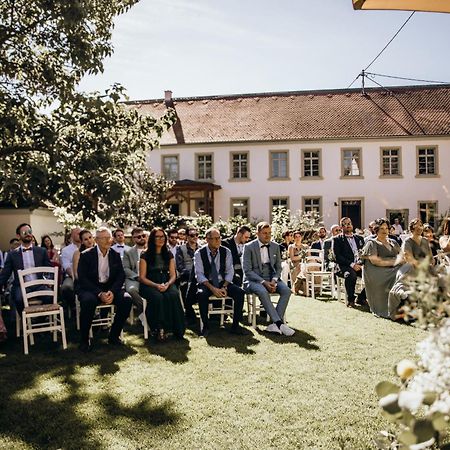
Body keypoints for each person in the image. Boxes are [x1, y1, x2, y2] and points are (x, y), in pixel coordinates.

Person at [77, 227, 132, 352]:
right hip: (90, 288)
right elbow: (83, 279)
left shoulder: (115, 255)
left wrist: (112, 292)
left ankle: (113, 336)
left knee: (127, 300)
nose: (109, 240)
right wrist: (99, 293)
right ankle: (84, 340)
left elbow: (120, 276)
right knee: (88, 301)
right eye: (105, 238)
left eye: (109, 238)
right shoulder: (86, 255)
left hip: (110, 288)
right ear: (96, 240)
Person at [242, 221, 294, 336]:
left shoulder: (275, 246)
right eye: (265, 233)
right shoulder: (248, 247)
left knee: (286, 290)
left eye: (269, 233)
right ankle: (279, 324)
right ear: (257, 234)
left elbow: (278, 268)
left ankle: (274, 324)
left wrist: (274, 280)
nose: (268, 235)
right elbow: (247, 271)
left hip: (271, 279)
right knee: (262, 291)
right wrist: (263, 282)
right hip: (253, 280)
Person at [194, 227, 247, 337]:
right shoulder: (199, 253)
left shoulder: (226, 251)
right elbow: (199, 274)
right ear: (207, 239)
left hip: (223, 282)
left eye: (219, 238)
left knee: (240, 292)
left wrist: (224, 287)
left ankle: (236, 326)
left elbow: (230, 271)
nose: (218, 241)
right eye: (215, 238)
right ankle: (205, 326)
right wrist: (213, 288)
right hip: (207, 283)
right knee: (201, 294)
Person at [139, 228, 185, 341]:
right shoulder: (145, 254)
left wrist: (168, 284)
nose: (161, 239)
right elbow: (142, 277)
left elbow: (173, 275)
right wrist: (156, 285)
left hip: (166, 281)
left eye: (162, 237)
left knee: (173, 294)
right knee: (158, 297)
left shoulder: (168, 254)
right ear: (152, 239)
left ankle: (177, 329)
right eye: (157, 237)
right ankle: (158, 329)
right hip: (149, 283)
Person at [0, 223, 53, 315]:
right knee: (18, 298)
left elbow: (49, 269)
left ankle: (41, 318)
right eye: (25, 232)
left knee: (49, 296)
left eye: (30, 232)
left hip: (39, 284)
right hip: (21, 286)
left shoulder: (41, 251)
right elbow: (5, 274)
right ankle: (25, 320)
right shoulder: (12, 255)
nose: (28, 234)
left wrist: (48, 281)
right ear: (18, 236)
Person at [388, 218, 432, 321]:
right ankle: (403, 310)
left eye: (421, 225)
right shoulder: (407, 241)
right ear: (412, 228)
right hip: (410, 269)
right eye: (417, 225)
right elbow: (409, 259)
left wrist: (430, 263)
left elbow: (430, 257)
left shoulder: (425, 240)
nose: (420, 227)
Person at [361, 218, 402, 318]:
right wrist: (395, 261)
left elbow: (403, 257)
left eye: (386, 228)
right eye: (381, 228)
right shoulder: (372, 243)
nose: (384, 230)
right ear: (376, 229)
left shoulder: (393, 242)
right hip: (377, 273)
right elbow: (376, 261)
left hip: (393, 269)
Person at [333, 217, 367, 307]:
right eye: (345, 224)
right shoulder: (337, 239)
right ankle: (350, 300)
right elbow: (338, 257)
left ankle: (361, 297)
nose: (348, 226)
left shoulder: (359, 238)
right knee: (351, 275)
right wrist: (352, 265)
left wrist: (360, 264)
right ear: (341, 227)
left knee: (372, 274)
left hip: (359, 265)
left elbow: (363, 253)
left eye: (349, 223)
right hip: (344, 266)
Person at [123, 228, 148, 322]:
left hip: (150, 278)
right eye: (138, 237)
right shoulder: (128, 252)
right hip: (135, 278)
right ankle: (145, 312)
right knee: (131, 290)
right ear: (133, 239)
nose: (141, 238)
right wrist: (137, 277)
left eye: (143, 236)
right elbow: (125, 268)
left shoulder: (151, 250)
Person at [175, 227, 200, 320]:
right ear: (187, 237)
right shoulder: (181, 249)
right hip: (187, 277)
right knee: (185, 287)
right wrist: (191, 274)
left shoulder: (202, 248)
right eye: (192, 235)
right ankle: (190, 314)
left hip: (201, 276)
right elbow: (180, 267)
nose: (195, 237)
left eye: (196, 235)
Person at [60, 227, 81, 311]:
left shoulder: (88, 247)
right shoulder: (66, 250)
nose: (80, 235)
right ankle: (73, 306)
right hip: (71, 275)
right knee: (66, 287)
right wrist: (74, 277)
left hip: (86, 275)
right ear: (72, 235)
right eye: (78, 233)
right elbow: (66, 266)